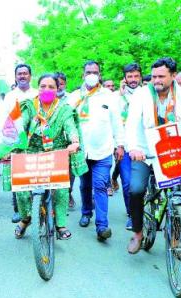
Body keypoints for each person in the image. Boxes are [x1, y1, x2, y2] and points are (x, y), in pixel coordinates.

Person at [125, 57, 181, 254]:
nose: (156, 80)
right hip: (145, 152)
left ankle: (176, 235)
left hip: (174, 152)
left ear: (173, 75)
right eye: (154, 76)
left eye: (161, 76)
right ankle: (138, 233)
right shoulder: (141, 95)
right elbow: (131, 124)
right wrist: (133, 148)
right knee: (136, 189)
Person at [13, 74, 87, 240]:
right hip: (31, 153)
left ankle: (60, 224)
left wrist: (74, 142)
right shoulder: (28, 107)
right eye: (43, 86)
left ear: (58, 89)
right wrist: (11, 143)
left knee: (61, 190)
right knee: (22, 190)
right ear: (38, 88)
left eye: (51, 87)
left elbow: (71, 128)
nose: (47, 89)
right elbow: (19, 125)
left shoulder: (65, 109)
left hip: (57, 154)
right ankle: (25, 219)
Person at [67, 61, 125, 242]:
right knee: (84, 185)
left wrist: (120, 144)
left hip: (103, 150)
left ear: (100, 75)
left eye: (95, 72)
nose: (92, 74)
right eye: (88, 72)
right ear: (83, 74)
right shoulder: (74, 97)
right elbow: (67, 121)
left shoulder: (109, 96)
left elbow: (116, 122)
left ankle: (102, 226)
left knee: (100, 185)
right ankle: (86, 212)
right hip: (81, 152)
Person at [3, 64, 38, 222]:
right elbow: (4, 118)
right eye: (19, 74)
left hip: (35, 139)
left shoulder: (37, 94)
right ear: (15, 77)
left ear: (30, 76)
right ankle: (19, 209)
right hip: (15, 138)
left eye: (25, 73)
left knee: (32, 173)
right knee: (17, 174)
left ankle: (35, 207)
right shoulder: (10, 96)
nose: (22, 76)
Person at [114, 63, 142, 230]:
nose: (132, 80)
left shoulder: (148, 94)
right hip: (125, 147)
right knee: (127, 183)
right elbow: (116, 123)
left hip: (144, 147)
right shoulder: (118, 98)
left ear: (140, 77)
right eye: (129, 76)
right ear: (124, 78)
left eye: (136, 76)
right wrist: (119, 145)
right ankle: (132, 214)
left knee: (144, 183)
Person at [56, 71, 77, 209]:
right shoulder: (44, 98)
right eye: (55, 84)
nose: (58, 87)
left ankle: (68, 192)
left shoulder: (72, 98)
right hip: (51, 139)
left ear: (65, 84)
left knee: (69, 168)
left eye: (61, 84)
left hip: (68, 138)